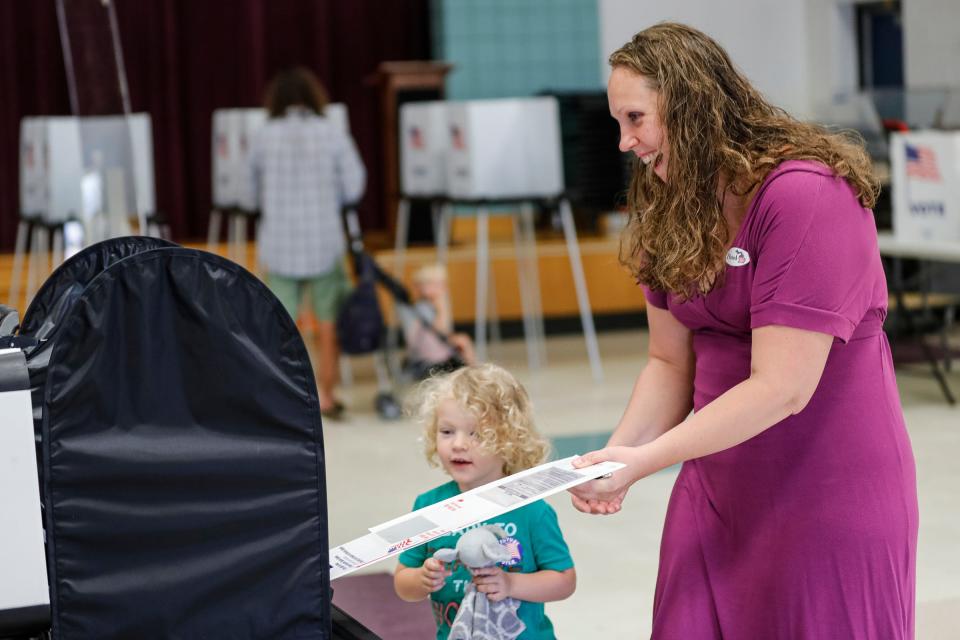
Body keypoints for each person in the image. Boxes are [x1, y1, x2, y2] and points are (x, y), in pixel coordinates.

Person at [568, 22, 918, 639]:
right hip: (716, 486)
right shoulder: (666, 202)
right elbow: (669, 364)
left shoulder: (805, 194)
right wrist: (613, 455)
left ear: (690, 106)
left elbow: (783, 387)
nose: (624, 143)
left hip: (826, 488)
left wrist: (643, 461)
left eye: (635, 119)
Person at [394, 364, 576, 639]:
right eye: (447, 432)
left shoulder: (531, 509)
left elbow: (564, 581)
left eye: (476, 434)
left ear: (509, 441)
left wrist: (511, 583)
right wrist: (421, 579)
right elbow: (402, 581)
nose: (458, 444)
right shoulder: (428, 506)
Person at [248, 67, 365, 418]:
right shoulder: (332, 133)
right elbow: (354, 185)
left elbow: (248, 192)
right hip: (324, 242)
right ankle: (327, 396)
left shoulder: (263, 135)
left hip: (279, 242)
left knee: (282, 326)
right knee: (328, 323)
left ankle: (288, 403)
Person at [398, 263, 476, 379]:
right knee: (462, 341)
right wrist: (442, 308)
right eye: (436, 284)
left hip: (437, 354)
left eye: (442, 284)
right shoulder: (421, 308)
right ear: (421, 287)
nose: (443, 288)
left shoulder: (428, 306)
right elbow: (441, 331)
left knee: (463, 341)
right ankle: (476, 373)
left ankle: (475, 372)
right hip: (428, 359)